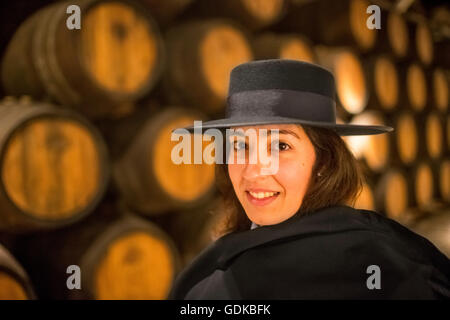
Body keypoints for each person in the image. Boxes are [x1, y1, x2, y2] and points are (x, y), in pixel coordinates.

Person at [169, 59, 450, 299]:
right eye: (240, 146)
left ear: (324, 160)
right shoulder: (395, 247)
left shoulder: (221, 286)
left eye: (280, 146)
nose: (254, 171)